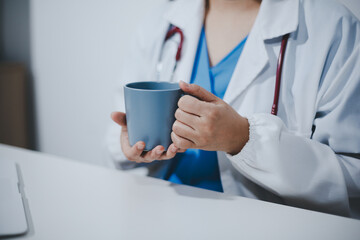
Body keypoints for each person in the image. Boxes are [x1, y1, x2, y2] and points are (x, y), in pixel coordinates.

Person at [107, 0, 360, 219]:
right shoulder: (161, 21)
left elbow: (352, 177)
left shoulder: (334, 28)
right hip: (161, 213)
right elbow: (116, 132)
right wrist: (131, 144)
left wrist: (243, 139)